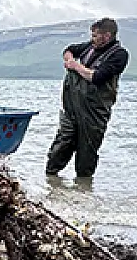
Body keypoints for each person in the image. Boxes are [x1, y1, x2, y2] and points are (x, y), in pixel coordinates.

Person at [45, 17, 129, 179]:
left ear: (107, 36)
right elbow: (69, 49)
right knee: (62, 144)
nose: (92, 38)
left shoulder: (119, 55)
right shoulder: (88, 47)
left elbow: (96, 77)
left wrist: (76, 66)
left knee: (87, 153)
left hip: (95, 112)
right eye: (92, 35)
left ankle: (84, 191)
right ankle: (50, 182)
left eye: (95, 35)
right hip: (72, 108)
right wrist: (69, 59)